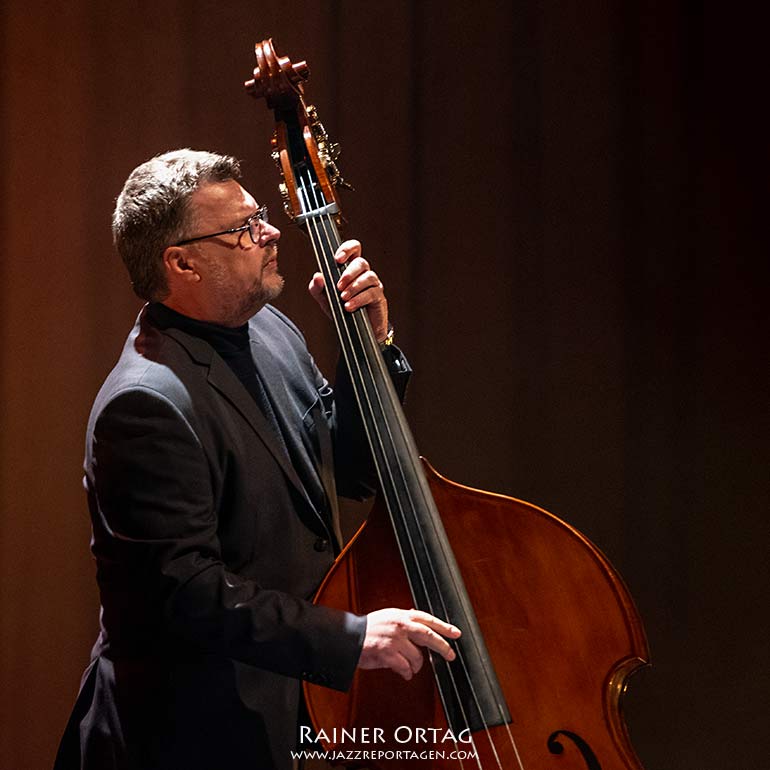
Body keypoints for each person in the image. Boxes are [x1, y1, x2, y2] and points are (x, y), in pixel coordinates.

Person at [54, 149, 461, 770]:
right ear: (182, 262)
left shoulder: (269, 328)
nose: (270, 232)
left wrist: (371, 348)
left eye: (260, 215)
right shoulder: (145, 403)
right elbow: (189, 595)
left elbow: (348, 469)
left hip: (276, 711)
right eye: (243, 228)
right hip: (186, 735)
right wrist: (351, 638)